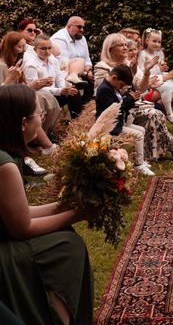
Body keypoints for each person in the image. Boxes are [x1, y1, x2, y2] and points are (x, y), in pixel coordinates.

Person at [0, 84, 93, 324]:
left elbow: (18, 213)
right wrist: (78, 214)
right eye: (39, 115)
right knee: (65, 245)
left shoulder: (7, 157)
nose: (41, 121)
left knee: (64, 237)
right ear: (22, 123)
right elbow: (22, 228)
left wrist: (63, 205)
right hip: (3, 249)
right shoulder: (5, 165)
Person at [94, 33, 173, 163]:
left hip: (131, 105)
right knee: (153, 113)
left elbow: (142, 89)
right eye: (121, 45)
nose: (125, 48)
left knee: (156, 113)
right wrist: (130, 95)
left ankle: (156, 153)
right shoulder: (102, 67)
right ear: (110, 49)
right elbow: (104, 94)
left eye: (125, 45)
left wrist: (146, 72)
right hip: (117, 110)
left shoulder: (128, 63)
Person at [0, 33, 59, 175]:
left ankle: (34, 147)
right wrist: (9, 79)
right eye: (19, 46)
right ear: (9, 47)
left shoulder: (16, 64)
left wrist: (35, 84)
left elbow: (23, 88)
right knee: (29, 112)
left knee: (41, 99)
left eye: (24, 46)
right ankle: (45, 147)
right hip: (5, 108)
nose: (22, 50)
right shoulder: (1, 66)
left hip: (13, 104)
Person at [95, 65, 155, 176]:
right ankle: (138, 165)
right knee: (138, 135)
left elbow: (121, 103)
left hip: (119, 122)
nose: (121, 88)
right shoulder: (104, 90)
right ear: (114, 78)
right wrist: (130, 99)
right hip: (110, 127)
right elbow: (115, 108)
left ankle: (140, 159)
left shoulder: (112, 88)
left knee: (141, 130)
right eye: (121, 85)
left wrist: (131, 98)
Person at [23, 34, 83, 119]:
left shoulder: (52, 60)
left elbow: (59, 77)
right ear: (35, 49)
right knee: (70, 93)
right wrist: (60, 91)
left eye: (49, 48)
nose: (47, 51)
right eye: (43, 48)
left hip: (55, 93)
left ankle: (76, 122)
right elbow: (35, 89)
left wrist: (64, 89)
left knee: (74, 93)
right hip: (42, 97)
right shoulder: (31, 65)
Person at [138, 28, 173, 126]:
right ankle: (169, 113)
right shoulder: (143, 54)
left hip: (160, 75)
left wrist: (165, 69)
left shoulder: (160, 53)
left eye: (159, 42)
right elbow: (142, 71)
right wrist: (160, 70)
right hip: (151, 79)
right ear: (146, 41)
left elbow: (161, 67)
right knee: (166, 89)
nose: (157, 44)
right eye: (154, 41)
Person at [50, 16, 93, 88]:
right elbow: (64, 64)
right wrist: (83, 74)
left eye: (83, 27)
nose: (82, 30)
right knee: (80, 61)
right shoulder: (59, 38)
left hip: (79, 73)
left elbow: (87, 59)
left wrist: (89, 72)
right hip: (62, 75)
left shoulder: (82, 39)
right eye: (79, 27)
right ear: (69, 27)